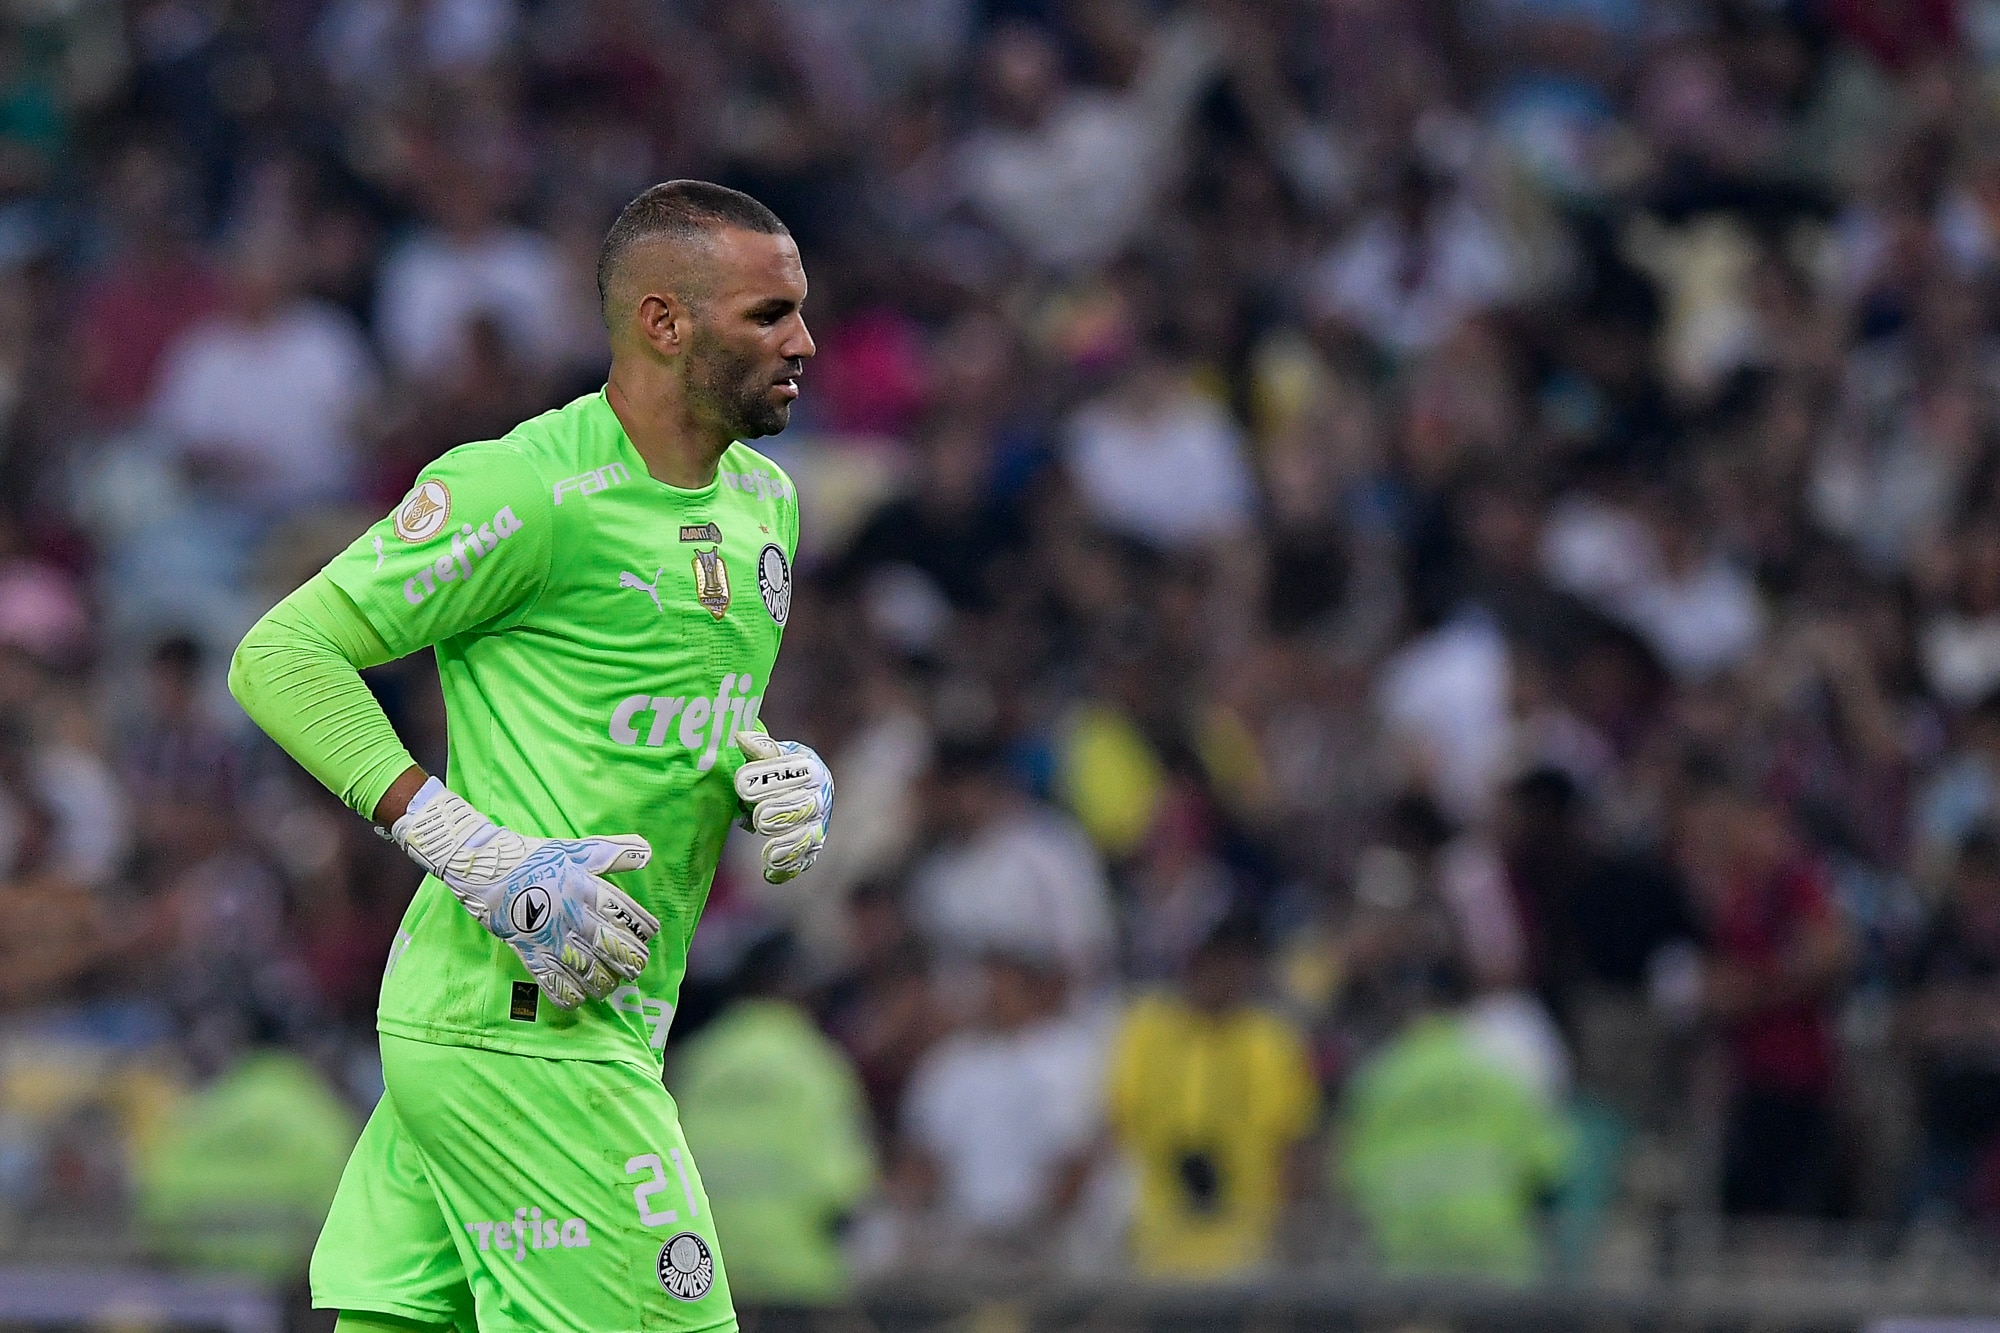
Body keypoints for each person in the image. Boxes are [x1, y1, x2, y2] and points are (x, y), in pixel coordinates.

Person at [229, 180, 834, 1332]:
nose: (804, 341)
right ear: (664, 322)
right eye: (769, 315)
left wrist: (774, 774)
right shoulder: (524, 489)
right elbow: (280, 653)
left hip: (563, 1011)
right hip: (525, 1021)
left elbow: (667, 716)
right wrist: (465, 847)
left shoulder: (766, 505)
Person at [1106, 912, 1318, 1278]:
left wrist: (1288, 1238)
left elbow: (1292, 1143)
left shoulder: (1270, 1040)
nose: (1225, 976)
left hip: (1245, 1242)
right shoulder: (1146, 1029)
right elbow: (1117, 1122)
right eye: (1216, 962)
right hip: (1157, 1235)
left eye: (1236, 964)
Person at [671, 930, 878, 1305]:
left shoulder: (696, 1061)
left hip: (704, 1275)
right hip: (795, 1279)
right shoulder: (815, 1064)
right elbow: (845, 1185)